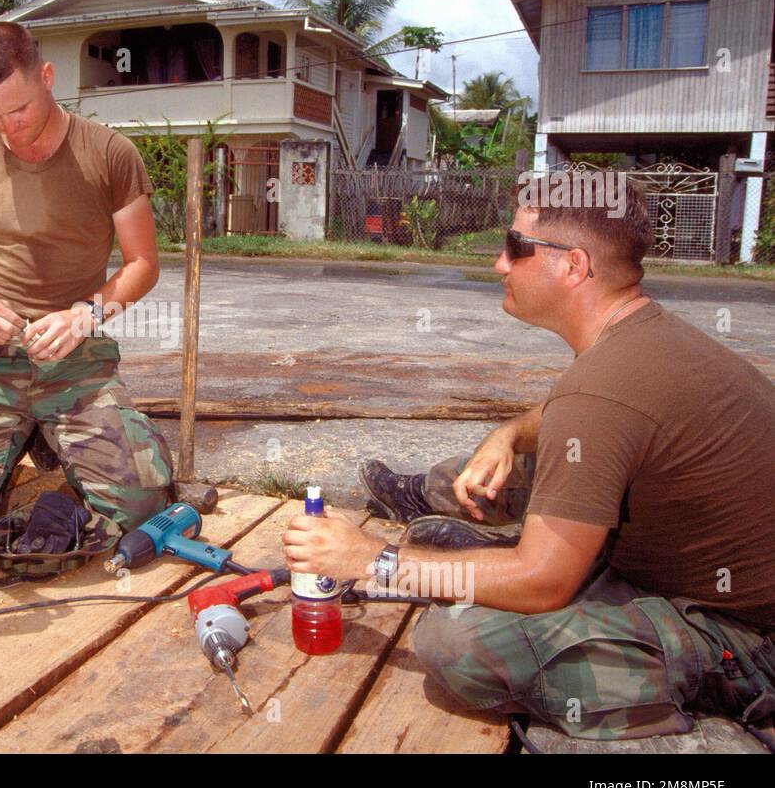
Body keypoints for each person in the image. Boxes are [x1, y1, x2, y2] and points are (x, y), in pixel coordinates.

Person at [282, 174, 775, 741]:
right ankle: (472, 541)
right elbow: (588, 413)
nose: (498, 264)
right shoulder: (642, 338)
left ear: (573, 266)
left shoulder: (602, 388)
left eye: (514, 247)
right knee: (515, 474)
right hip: (680, 562)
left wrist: (373, 561)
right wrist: (511, 435)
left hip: (747, 637)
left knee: (456, 644)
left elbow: (544, 585)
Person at [0, 21, 173, 553]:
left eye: (19, 108)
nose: (8, 127)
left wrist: (83, 317)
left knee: (143, 510)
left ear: (47, 77)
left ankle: (59, 434)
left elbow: (143, 262)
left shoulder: (109, 154)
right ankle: (21, 436)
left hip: (75, 360)